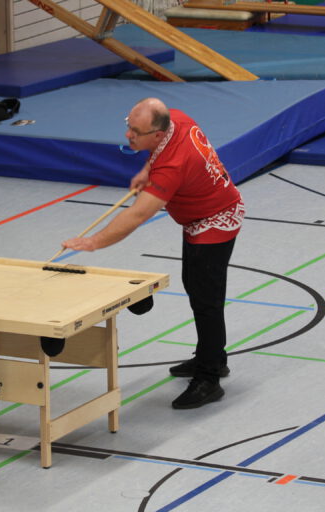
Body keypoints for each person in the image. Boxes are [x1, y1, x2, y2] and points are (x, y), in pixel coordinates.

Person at [62, 98, 244, 410]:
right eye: (128, 126)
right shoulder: (176, 119)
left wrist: (93, 242)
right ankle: (211, 355)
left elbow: (137, 215)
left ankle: (209, 377)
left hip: (216, 219)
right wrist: (148, 169)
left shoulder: (174, 166)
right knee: (196, 287)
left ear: (157, 133)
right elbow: (160, 153)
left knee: (206, 299)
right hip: (201, 214)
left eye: (136, 132)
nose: (128, 135)